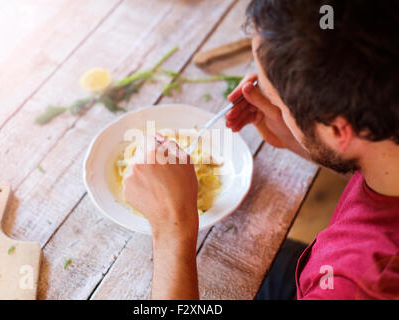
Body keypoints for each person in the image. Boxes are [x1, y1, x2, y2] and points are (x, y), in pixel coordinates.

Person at [123, 0, 399, 300]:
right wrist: (295, 138)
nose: (260, 94)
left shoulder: (357, 285)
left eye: (276, 99)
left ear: (336, 132)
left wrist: (172, 230)